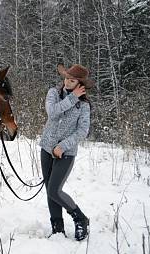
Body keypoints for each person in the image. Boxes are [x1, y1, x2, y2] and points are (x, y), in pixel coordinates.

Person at [39, 64, 93, 241]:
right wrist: (71, 98)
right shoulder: (53, 93)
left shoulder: (84, 106)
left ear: (80, 84)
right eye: (66, 78)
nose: (67, 82)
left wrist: (63, 146)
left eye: (72, 80)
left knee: (55, 190)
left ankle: (80, 218)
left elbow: (82, 131)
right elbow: (52, 112)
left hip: (66, 153)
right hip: (47, 148)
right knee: (49, 191)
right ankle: (57, 229)